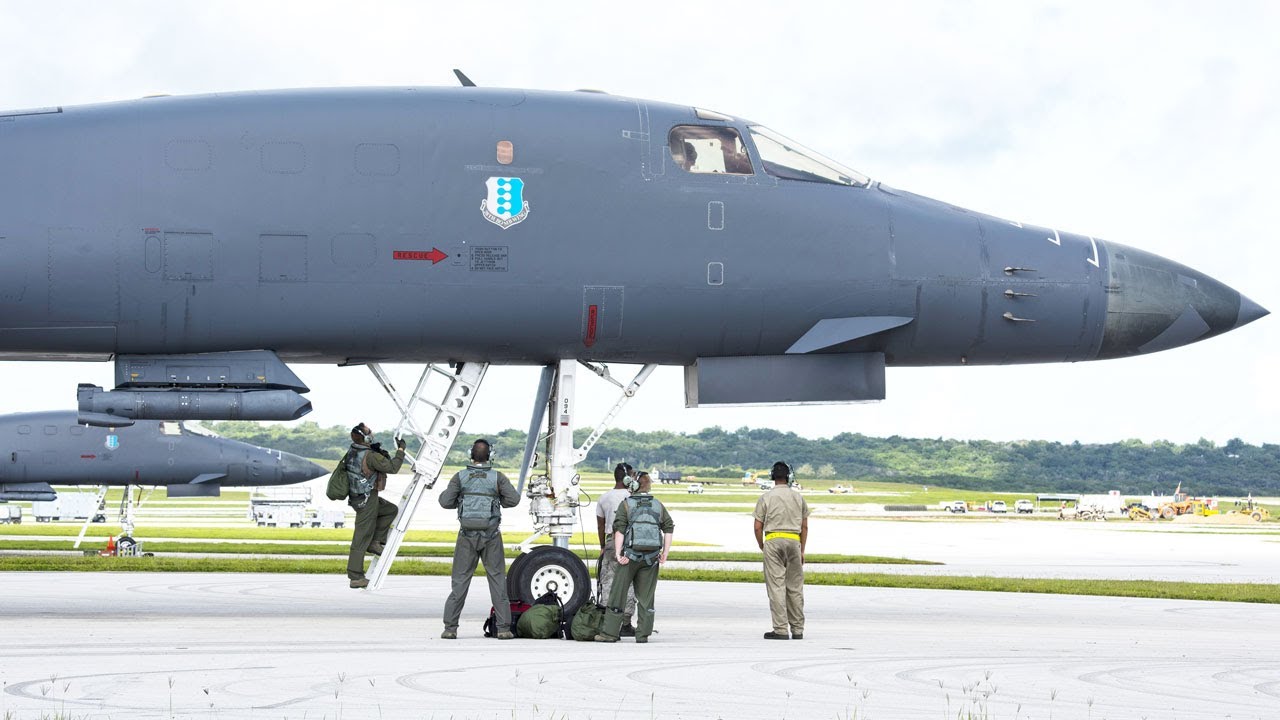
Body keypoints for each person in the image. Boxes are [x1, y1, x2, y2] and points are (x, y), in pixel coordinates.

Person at [438, 438, 520, 640]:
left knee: (460, 583)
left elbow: (445, 501)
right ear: (490, 455)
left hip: (466, 536)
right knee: (497, 581)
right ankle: (503, 628)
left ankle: (450, 628)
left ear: (470, 454)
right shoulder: (497, 477)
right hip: (491, 536)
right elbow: (514, 500)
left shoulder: (461, 477)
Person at [595, 472, 673, 644]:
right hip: (651, 558)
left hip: (629, 557)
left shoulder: (627, 505)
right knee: (646, 597)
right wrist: (665, 553)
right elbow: (668, 527)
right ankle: (643, 634)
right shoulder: (657, 505)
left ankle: (610, 633)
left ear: (634, 486)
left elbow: (619, 530)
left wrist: (618, 554)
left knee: (618, 594)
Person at [344, 423, 405, 589]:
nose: (372, 433)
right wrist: (400, 451)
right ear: (366, 437)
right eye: (369, 432)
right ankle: (355, 576)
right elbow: (393, 467)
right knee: (361, 537)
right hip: (366, 499)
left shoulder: (353, 451)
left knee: (390, 510)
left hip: (359, 497)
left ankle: (375, 541)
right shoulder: (369, 455)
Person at [753, 461, 809, 640]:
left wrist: (762, 544)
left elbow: (757, 526)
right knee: (795, 587)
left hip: (773, 541)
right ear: (788, 477)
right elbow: (805, 526)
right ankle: (798, 629)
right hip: (794, 541)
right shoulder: (798, 497)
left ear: (772, 477)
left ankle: (780, 629)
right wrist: (802, 550)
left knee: (776, 587)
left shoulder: (766, 497)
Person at [595, 463, 638, 636]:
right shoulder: (632, 497)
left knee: (608, 582)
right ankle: (626, 624)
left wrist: (603, 546)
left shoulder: (604, 497)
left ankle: (608, 621)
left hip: (611, 542)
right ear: (628, 477)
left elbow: (600, 525)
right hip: (629, 542)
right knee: (628, 583)